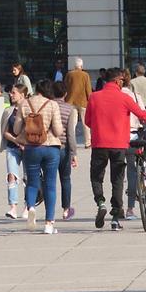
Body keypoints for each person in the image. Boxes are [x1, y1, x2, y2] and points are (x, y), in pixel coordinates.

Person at [85, 68, 146, 232]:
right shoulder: (124, 98)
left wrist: (100, 128)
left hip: (99, 144)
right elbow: (142, 114)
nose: (123, 83)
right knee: (117, 180)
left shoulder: (94, 97)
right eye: (122, 81)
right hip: (119, 145)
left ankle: (100, 202)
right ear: (117, 81)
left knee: (96, 176)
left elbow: (88, 121)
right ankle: (115, 218)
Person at [13, 77, 63, 235]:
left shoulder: (24, 104)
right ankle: (49, 223)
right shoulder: (52, 104)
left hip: (31, 148)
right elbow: (58, 130)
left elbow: (16, 129)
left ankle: (31, 207)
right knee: (50, 185)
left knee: (32, 182)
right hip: (51, 147)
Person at [0, 82, 28, 219]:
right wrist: (16, 140)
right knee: (12, 175)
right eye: (11, 93)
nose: (11, 95)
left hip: (28, 148)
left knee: (29, 178)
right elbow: (4, 132)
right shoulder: (8, 111)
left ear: (22, 95)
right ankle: (13, 207)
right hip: (12, 148)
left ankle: (28, 206)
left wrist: (24, 142)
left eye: (13, 93)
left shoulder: (30, 109)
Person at [121, 68, 146, 220]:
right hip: (132, 137)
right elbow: (143, 116)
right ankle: (130, 208)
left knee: (117, 174)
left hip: (116, 140)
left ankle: (116, 208)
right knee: (132, 172)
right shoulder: (135, 97)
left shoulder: (112, 97)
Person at [53, 80, 78, 221]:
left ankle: (49, 211)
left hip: (49, 147)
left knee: (50, 181)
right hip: (63, 148)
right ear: (66, 94)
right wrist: (74, 153)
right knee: (65, 179)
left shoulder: (48, 106)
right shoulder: (70, 109)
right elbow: (70, 134)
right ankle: (66, 209)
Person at [64, 57, 92, 148]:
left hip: (71, 101)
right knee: (85, 123)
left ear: (74, 66)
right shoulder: (85, 75)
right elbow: (88, 89)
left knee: (72, 123)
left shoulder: (69, 74)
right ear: (81, 66)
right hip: (83, 101)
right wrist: (90, 99)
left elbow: (65, 87)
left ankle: (71, 142)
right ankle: (88, 142)